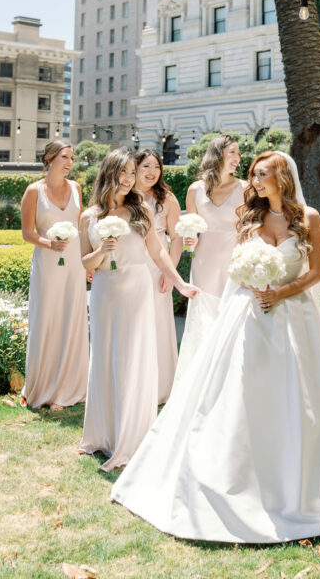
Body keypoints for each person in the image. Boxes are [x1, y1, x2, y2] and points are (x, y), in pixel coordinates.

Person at [111, 151, 320, 543]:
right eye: (253, 175)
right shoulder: (249, 217)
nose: (255, 181)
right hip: (249, 315)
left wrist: (279, 292)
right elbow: (237, 267)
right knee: (241, 393)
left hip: (293, 317)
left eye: (262, 174)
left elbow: (314, 273)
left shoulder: (307, 218)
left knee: (297, 397)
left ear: (282, 176)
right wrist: (251, 286)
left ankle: (299, 473)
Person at [79, 150, 198, 472]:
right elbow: (84, 264)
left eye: (133, 172)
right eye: (124, 172)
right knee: (105, 359)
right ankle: (102, 436)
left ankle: (131, 439)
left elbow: (158, 252)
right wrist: (102, 250)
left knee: (131, 360)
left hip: (137, 290)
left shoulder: (141, 208)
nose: (130, 178)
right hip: (105, 293)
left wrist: (179, 283)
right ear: (109, 174)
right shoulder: (89, 216)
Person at [20, 140, 88, 410]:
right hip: (48, 263)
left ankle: (71, 387)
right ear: (49, 159)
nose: (70, 162)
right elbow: (27, 232)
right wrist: (50, 243)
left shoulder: (77, 189)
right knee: (47, 319)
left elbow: (81, 227)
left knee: (73, 318)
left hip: (74, 263)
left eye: (72, 157)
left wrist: (89, 261)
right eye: (64, 157)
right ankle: (44, 388)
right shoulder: (33, 191)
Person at [174, 134, 246, 378]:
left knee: (232, 312)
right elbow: (190, 233)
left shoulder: (245, 188)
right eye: (233, 152)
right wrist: (189, 241)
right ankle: (201, 375)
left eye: (238, 153)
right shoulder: (195, 189)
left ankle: (232, 374)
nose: (238, 158)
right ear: (218, 154)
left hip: (234, 260)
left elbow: (250, 228)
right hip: (204, 262)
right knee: (204, 315)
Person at [134, 148, 182, 404]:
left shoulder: (168, 199)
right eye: (146, 167)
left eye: (156, 167)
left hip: (158, 268)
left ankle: (161, 386)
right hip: (130, 266)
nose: (152, 172)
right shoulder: (124, 196)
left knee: (157, 323)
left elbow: (176, 239)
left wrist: (170, 273)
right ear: (135, 168)